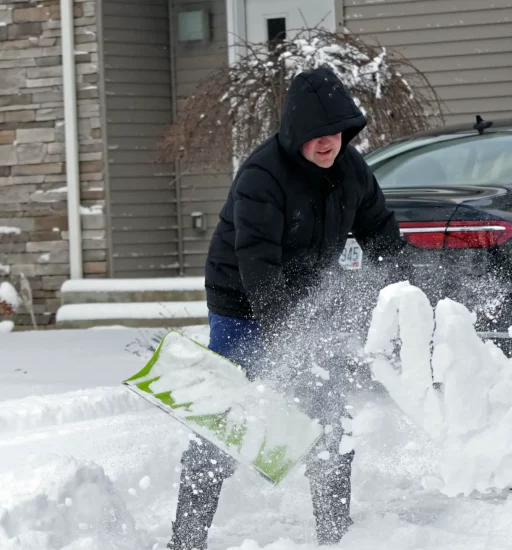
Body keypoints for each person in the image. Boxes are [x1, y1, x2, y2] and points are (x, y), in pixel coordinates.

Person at [168, 67, 407, 550]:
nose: (328, 143)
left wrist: (405, 294)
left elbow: (382, 233)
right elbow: (257, 265)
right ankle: (186, 539)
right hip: (241, 300)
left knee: (327, 415)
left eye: (336, 132)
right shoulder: (262, 177)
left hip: (305, 299)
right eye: (317, 135)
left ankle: (334, 537)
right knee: (227, 415)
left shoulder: (352, 171)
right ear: (296, 132)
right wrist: (288, 341)